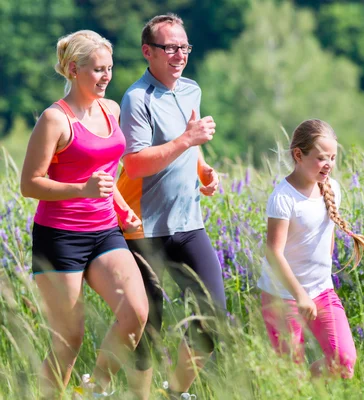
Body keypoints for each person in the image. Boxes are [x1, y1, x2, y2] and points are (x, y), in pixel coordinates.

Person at [20, 30, 149, 398]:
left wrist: (122, 209)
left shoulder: (112, 110)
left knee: (136, 313)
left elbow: (108, 172)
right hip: (59, 237)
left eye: (109, 68)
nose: (106, 76)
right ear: (74, 69)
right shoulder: (54, 120)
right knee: (69, 340)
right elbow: (29, 185)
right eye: (97, 69)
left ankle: (93, 389)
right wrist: (81, 191)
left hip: (106, 232)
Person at [116, 13, 226, 400]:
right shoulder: (136, 98)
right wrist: (187, 140)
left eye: (184, 47)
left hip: (188, 222)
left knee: (213, 315)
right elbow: (136, 163)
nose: (179, 54)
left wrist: (204, 170)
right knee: (150, 325)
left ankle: (173, 393)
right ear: (148, 52)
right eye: (170, 48)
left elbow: (188, 148)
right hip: (143, 227)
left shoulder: (191, 89)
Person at [258, 119, 364, 379]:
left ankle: (311, 386)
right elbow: (273, 252)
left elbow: (327, 236)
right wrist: (300, 295)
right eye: (322, 158)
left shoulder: (332, 188)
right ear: (298, 155)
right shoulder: (283, 198)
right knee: (291, 374)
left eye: (332, 158)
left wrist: (320, 280)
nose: (329, 164)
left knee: (344, 361)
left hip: (321, 291)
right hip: (283, 297)